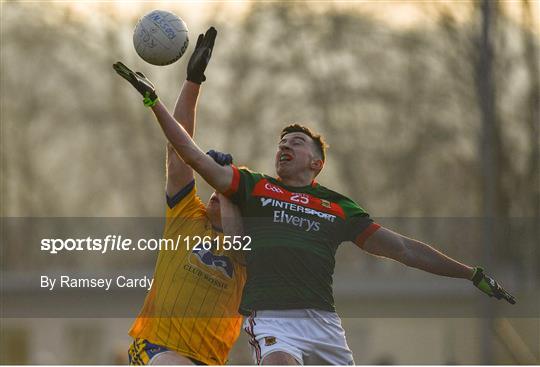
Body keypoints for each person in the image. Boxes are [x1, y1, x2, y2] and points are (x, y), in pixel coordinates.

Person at [113, 27, 515, 365]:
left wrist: (468, 272)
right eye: (281, 141)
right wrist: (181, 88)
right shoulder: (220, 201)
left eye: (297, 141)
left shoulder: (320, 212)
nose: (285, 145)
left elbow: (403, 249)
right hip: (166, 347)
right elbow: (183, 152)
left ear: (317, 162)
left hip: (311, 327)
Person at [127, 28, 246, 365]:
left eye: (225, 192)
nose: (214, 193)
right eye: (215, 188)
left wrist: (230, 189)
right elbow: (180, 151)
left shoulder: (251, 251)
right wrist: (193, 81)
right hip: (156, 348)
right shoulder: (187, 216)